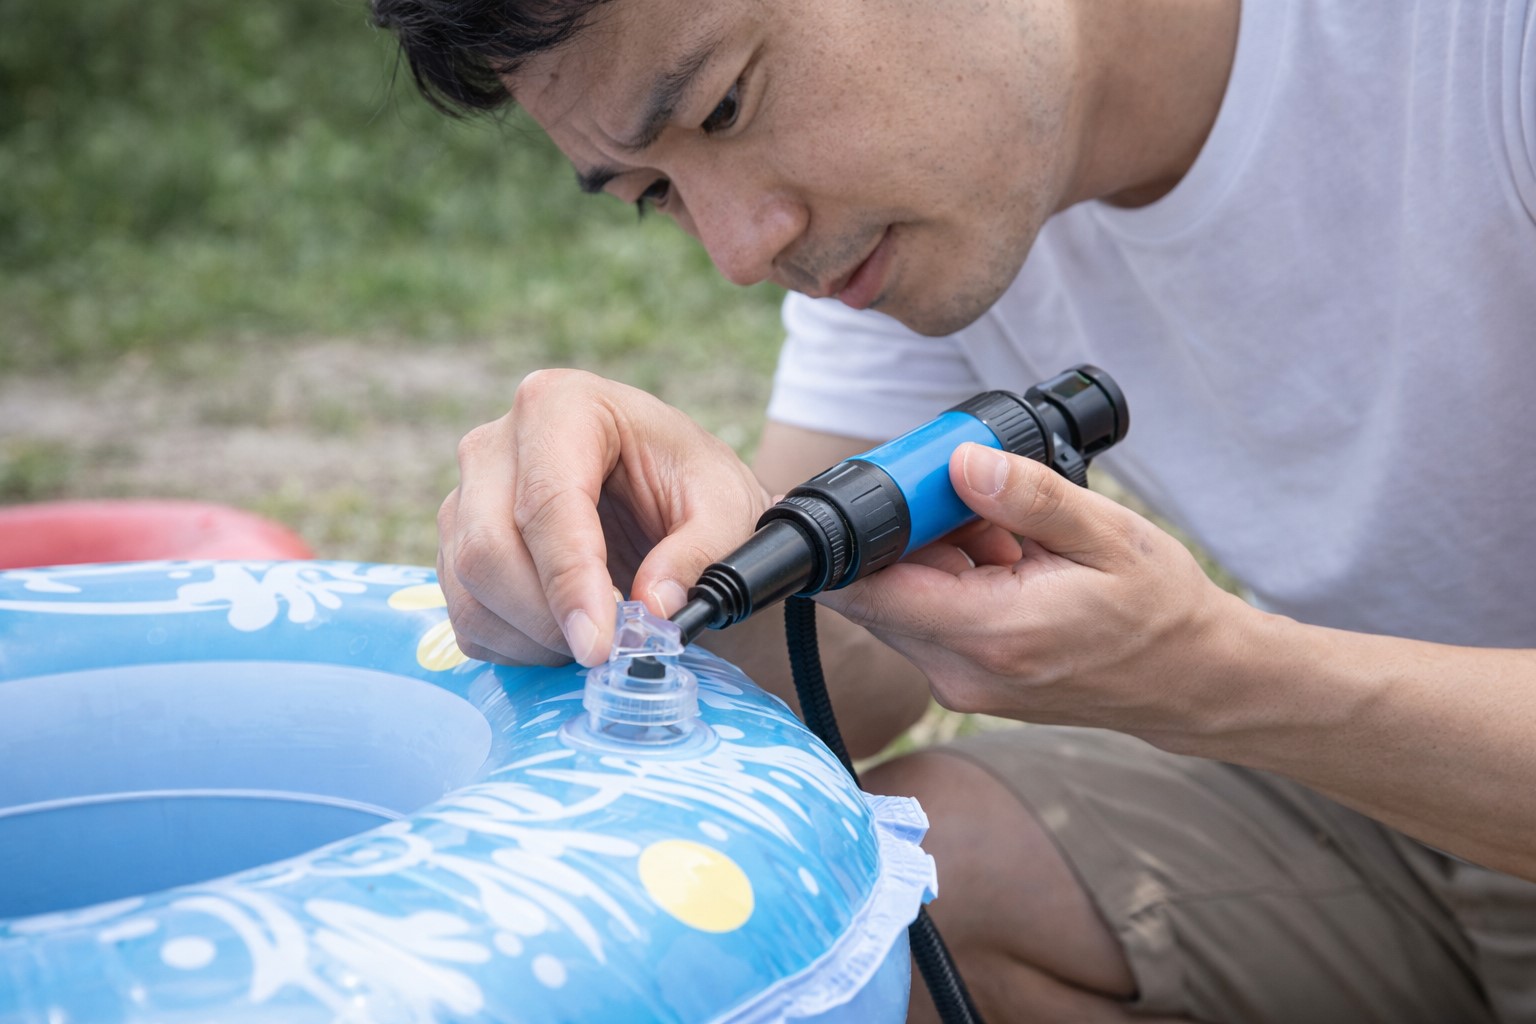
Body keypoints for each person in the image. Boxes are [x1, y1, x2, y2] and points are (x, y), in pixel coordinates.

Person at [371, 0, 1536, 1019]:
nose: (739, 245)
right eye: (655, 192)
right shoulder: (925, 210)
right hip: (1409, 814)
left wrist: (1213, 672)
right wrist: (632, 576)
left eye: (727, 106)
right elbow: (846, 669)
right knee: (865, 897)